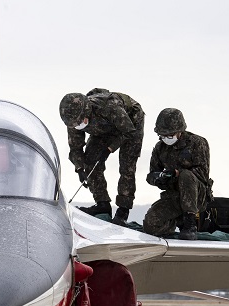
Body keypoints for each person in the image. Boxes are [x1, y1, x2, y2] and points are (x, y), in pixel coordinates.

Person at [59, 88, 145, 226]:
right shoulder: (73, 120)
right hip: (103, 128)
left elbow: (128, 132)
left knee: (127, 165)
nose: (78, 125)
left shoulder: (109, 107)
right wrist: (80, 168)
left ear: (87, 111)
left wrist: (110, 148)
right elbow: (76, 147)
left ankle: (123, 211)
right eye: (75, 124)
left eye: (80, 121)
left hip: (130, 123)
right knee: (90, 161)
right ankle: (102, 204)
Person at [143, 108, 212, 240]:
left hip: (196, 196)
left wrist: (177, 173)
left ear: (179, 131)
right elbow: (150, 174)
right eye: (162, 135)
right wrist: (158, 178)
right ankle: (176, 221)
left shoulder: (197, 143)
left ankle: (190, 223)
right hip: (173, 197)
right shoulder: (160, 148)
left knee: (186, 175)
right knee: (150, 225)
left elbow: (203, 173)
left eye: (169, 135)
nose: (166, 139)